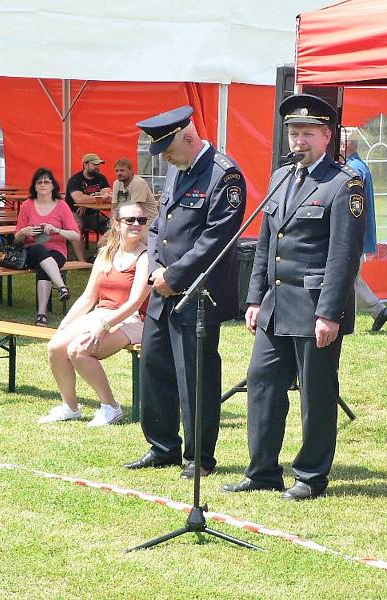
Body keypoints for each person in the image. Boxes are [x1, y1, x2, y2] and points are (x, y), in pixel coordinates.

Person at [223, 94, 366, 501]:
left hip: (315, 305)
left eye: (307, 133)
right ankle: (262, 469)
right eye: (293, 133)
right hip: (276, 305)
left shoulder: (343, 184)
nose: (298, 141)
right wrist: (254, 299)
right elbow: (267, 242)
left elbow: (343, 255)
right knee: (262, 382)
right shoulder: (281, 177)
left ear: (326, 136)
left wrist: (330, 313)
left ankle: (311, 474)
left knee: (316, 393)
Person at [124, 106, 246, 479]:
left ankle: (199, 457)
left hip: (197, 293)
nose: (165, 158)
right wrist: (158, 267)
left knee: (195, 375)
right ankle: (162, 447)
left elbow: (216, 239)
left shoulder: (224, 176)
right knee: (155, 367)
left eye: (169, 149)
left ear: (188, 137)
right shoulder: (179, 172)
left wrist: (176, 276)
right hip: (164, 287)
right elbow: (161, 223)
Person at [41, 203, 151, 426]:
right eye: (130, 220)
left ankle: (110, 407)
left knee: (79, 350)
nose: (136, 225)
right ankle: (70, 407)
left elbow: (134, 303)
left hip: (134, 320)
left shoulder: (146, 257)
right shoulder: (106, 254)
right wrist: (65, 323)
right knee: (55, 346)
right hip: (102, 314)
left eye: (141, 220)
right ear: (117, 224)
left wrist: (105, 325)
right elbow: (88, 297)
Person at [342, 127, 387, 332]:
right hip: (358, 234)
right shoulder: (357, 167)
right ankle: (378, 311)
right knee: (352, 278)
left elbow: (353, 208)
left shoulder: (353, 170)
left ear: (345, 145)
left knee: (348, 279)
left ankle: (360, 317)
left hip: (354, 235)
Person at [15, 168, 80, 326]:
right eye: (39, 182)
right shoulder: (27, 205)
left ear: (53, 186)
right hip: (31, 251)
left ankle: (42, 314)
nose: (43, 185)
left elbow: (76, 236)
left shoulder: (62, 206)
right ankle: (62, 287)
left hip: (57, 251)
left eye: (46, 181)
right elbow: (17, 239)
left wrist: (57, 230)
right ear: (34, 186)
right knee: (38, 249)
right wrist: (24, 231)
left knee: (44, 265)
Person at [65, 153, 112, 261]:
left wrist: (88, 202)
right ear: (85, 165)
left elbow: (108, 195)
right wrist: (97, 197)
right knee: (77, 228)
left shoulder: (101, 178)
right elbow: (79, 199)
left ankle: (100, 255)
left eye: (98, 164)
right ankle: (82, 261)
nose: (97, 167)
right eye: (94, 164)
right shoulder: (75, 180)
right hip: (75, 213)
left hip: (93, 213)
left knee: (112, 226)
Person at [110, 158, 158, 239]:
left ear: (131, 170)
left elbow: (135, 210)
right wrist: (113, 225)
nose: (119, 173)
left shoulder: (139, 183)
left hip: (146, 222)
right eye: (117, 171)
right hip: (127, 221)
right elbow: (114, 207)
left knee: (135, 242)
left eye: (122, 170)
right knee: (103, 243)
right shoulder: (116, 184)